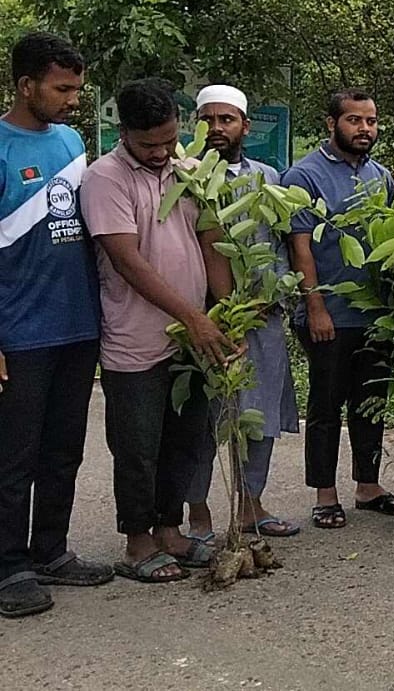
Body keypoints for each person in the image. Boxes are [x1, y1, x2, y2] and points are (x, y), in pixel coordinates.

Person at [81, 78, 233, 582]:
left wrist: (226, 314)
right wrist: (193, 316)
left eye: (169, 140)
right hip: (134, 339)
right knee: (137, 445)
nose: (161, 152)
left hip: (194, 342)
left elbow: (213, 243)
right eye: (149, 144)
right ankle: (138, 543)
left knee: (186, 440)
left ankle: (170, 530)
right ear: (123, 132)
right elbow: (128, 261)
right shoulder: (104, 178)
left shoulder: (190, 172)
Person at [0, 32, 113, 616]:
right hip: (19, 331)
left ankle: (51, 550)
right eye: (62, 88)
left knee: (64, 448)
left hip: (77, 324)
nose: (73, 99)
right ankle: (10, 567)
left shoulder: (71, 140)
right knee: (13, 456)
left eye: (77, 88)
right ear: (26, 85)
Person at [184, 85, 303, 541]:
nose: (217, 128)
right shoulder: (182, 178)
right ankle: (197, 512)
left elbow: (279, 248)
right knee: (204, 421)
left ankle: (250, 505)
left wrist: (274, 299)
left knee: (258, 418)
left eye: (226, 119)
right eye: (208, 120)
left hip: (261, 317)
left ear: (245, 126)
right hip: (201, 322)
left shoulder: (268, 177)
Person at [282, 88, 394, 529]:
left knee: (371, 402)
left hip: (375, 314)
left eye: (370, 121)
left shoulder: (381, 176)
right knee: (327, 404)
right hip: (328, 312)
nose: (364, 129)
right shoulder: (303, 176)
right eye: (354, 120)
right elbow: (300, 249)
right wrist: (315, 307)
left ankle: (368, 486)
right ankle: (325, 494)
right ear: (331, 124)